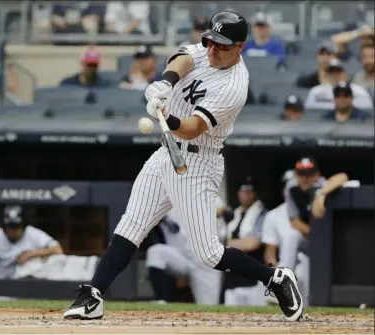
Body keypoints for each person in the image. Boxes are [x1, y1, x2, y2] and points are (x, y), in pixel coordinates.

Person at [63, 11, 304, 322]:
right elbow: (182, 58)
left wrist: (165, 114)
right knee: (130, 226)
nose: (213, 49)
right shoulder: (206, 50)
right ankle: (93, 296)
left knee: (208, 255)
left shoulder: (234, 86)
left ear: (240, 46)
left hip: (198, 163)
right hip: (166, 153)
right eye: (211, 41)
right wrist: (165, 83)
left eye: (222, 45)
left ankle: (275, 279)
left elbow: (192, 128)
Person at [283, 158, 348, 290]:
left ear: (317, 175)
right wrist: (315, 234)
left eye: (309, 174)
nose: (304, 178)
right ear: (296, 175)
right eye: (301, 174)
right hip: (312, 239)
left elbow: (343, 176)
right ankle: (282, 283)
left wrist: (321, 193)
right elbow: (294, 222)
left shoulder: (323, 185)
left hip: (334, 242)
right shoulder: (292, 188)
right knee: (292, 236)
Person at [146, 197, 226, 305]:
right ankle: (161, 301)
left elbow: (222, 211)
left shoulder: (208, 196)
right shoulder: (163, 202)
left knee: (209, 307)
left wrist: (218, 213)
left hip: (205, 262)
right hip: (180, 257)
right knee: (156, 252)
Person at [0, 205, 64, 279]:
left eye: (16, 226)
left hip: (26, 291)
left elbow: (58, 250)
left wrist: (31, 254)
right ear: (4, 226)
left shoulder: (32, 233)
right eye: (10, 226)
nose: (13, 231)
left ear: (23, 225)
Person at [262, 170, 310, 305]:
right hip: (287, 266)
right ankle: (280, 284)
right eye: (285, 186)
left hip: (310, 266)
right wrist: (273, 272)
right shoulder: (273, 215)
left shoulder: (308, 206)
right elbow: (270, 253)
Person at [223, 178, 267, 306]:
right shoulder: (233, 215)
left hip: (253, 282)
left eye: (249, 191)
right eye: (243, 191)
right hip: (232, 280)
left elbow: (253, 244)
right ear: (238, 193)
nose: (246, 194)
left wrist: (225, 244)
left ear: (255, 194)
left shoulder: (262, 214)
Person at [304, 59, 373, 110]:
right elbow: (309, 113)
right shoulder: (316, 92)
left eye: (338, 72)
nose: (335, 75)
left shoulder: (359, 91)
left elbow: (367, 111)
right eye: (331, 72)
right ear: (326, 75)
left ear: (345, 74)